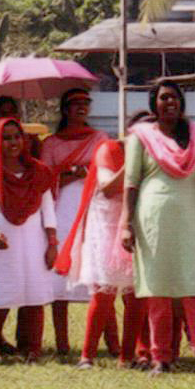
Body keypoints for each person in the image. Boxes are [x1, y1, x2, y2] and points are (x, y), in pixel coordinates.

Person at [123, 79, 195, 375]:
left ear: (182, 102)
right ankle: (161, 358)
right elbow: (131, 182)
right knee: (158, 291)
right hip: (152, 221)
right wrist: (125, 224)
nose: (170, 102)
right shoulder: (140, 136)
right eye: (164, 98)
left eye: (175, 97)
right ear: (154, 104)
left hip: (190, 220)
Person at [0, 116, 59, 363]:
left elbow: (48, 212)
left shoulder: (39, 172)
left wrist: (52, 244)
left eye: (17, 136)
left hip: (34, 244)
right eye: (6, 138)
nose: (13, 142)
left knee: (34, 295)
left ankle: (32, 351)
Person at [54, 136, 134, 368]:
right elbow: (108, 188)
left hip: (137, 225)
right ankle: (87, 356)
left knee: (136, 295)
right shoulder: (108, 150)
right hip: (106, 227)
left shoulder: (156, 152)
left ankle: (131, 356)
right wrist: (133, 163)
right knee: (103, 293)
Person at [39, 87, 104, 359]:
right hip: (62, 209)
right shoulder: (51, 143)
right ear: (65, 109)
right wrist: (71, 173)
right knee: (60, 276)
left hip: (93, 207)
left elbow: (106, 170)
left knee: (99, 275)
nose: (81, 108)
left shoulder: (99, 139)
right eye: (75, 104)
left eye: (85, 103)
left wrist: (83, 172)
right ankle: (62, 342)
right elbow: (44, 178)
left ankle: (109, 342)